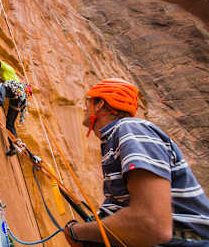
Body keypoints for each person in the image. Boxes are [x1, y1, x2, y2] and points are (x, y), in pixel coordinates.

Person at [64, 78, 209, 246]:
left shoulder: (130, 129)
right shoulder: (115, 139)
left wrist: (77, 232)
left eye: (87, 102)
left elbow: (152, 223)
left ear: (99, 104)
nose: (83, 107)